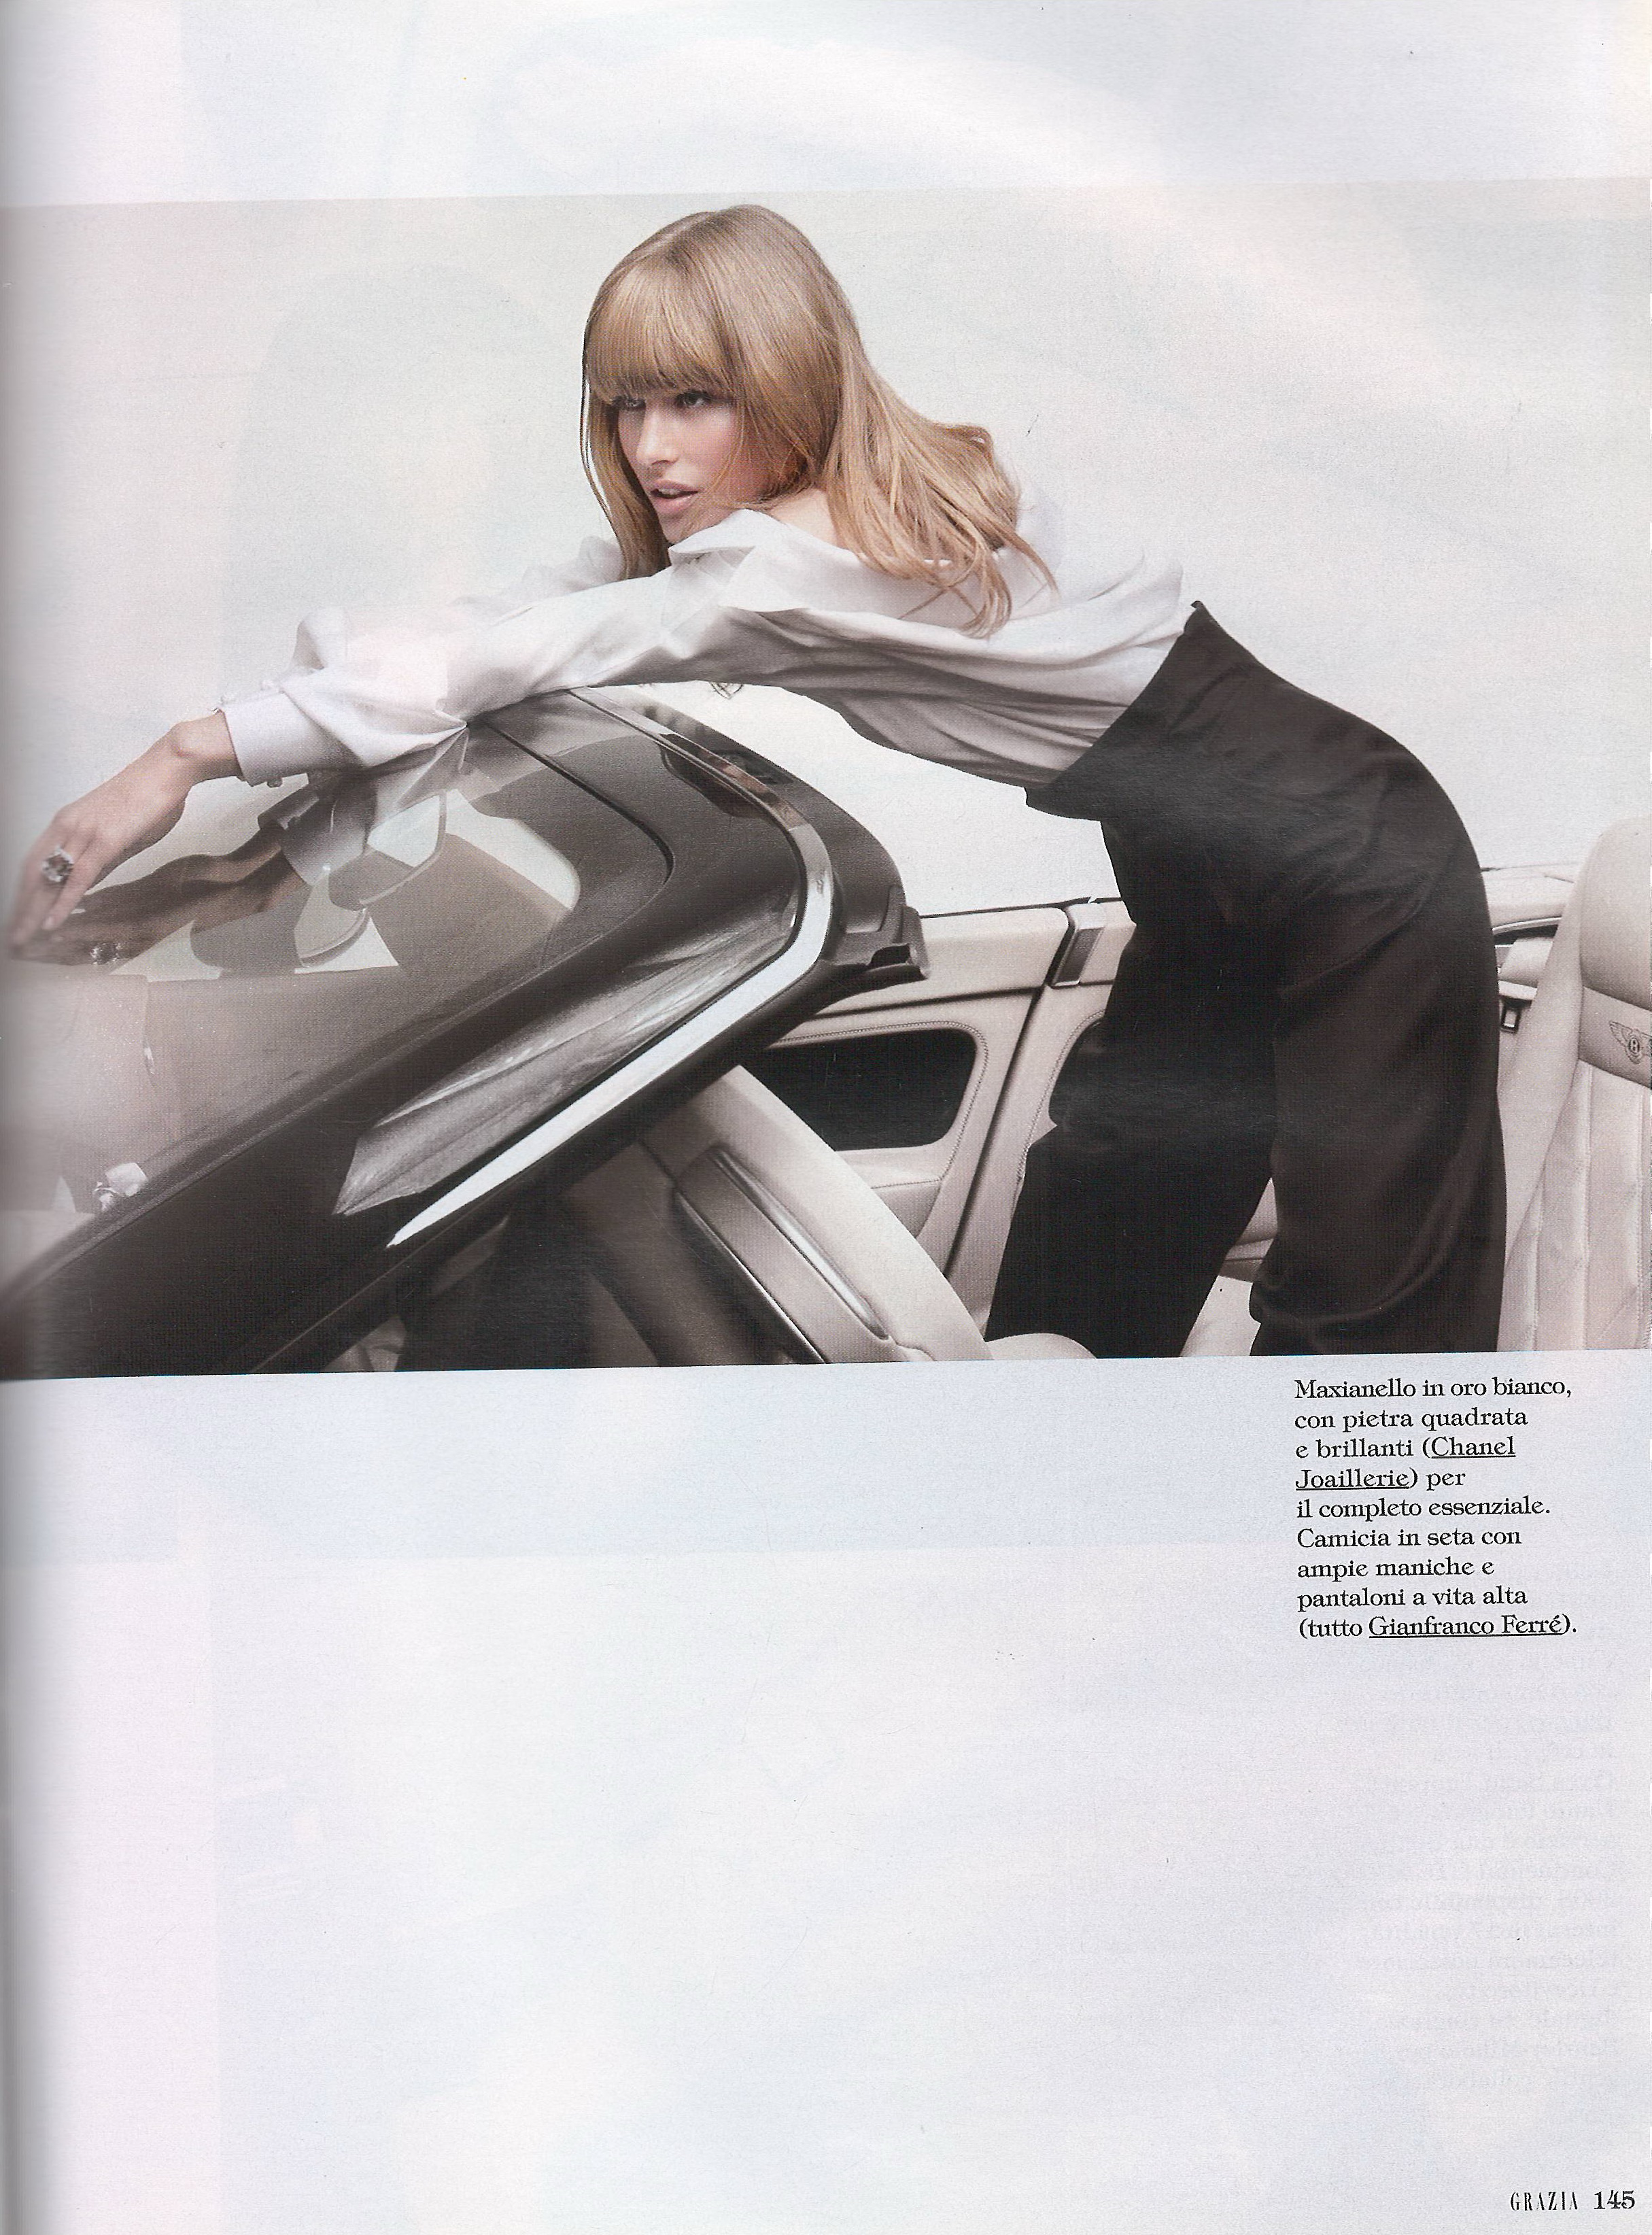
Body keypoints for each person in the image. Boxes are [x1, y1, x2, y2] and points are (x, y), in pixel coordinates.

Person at [7, 203, 1504, 1356]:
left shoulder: (787, 562)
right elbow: (517, 618)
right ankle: (1049, 1482)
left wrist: (186, 752)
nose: (651, 449)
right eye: (625, 407)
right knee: (1122, 1173)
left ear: (785, 384)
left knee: (1364, 1275)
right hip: (1208, 850)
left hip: (1345, 858)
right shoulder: (824, 513)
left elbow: (523, 652)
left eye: (694, 401)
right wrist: (260, 801)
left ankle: (1355, 1608)